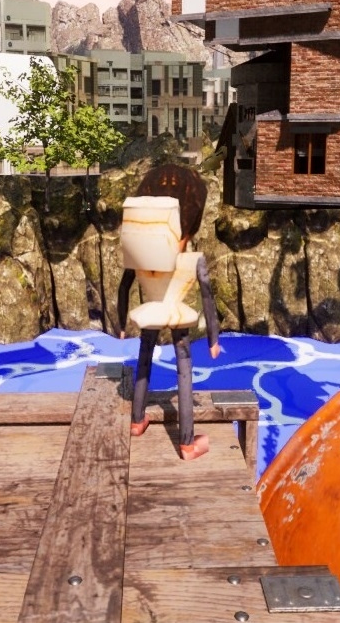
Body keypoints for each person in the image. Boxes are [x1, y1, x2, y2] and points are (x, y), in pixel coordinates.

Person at [116, 164, 220, 461]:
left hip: (150, 310)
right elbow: (207, 296)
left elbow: (124, 287)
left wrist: (121, 323)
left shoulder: (138, 258)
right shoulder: (192, 260)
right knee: (184, 369)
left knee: (144, 359)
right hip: (175, 312)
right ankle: (187, 443)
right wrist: (213, 339)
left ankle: (137, 421)